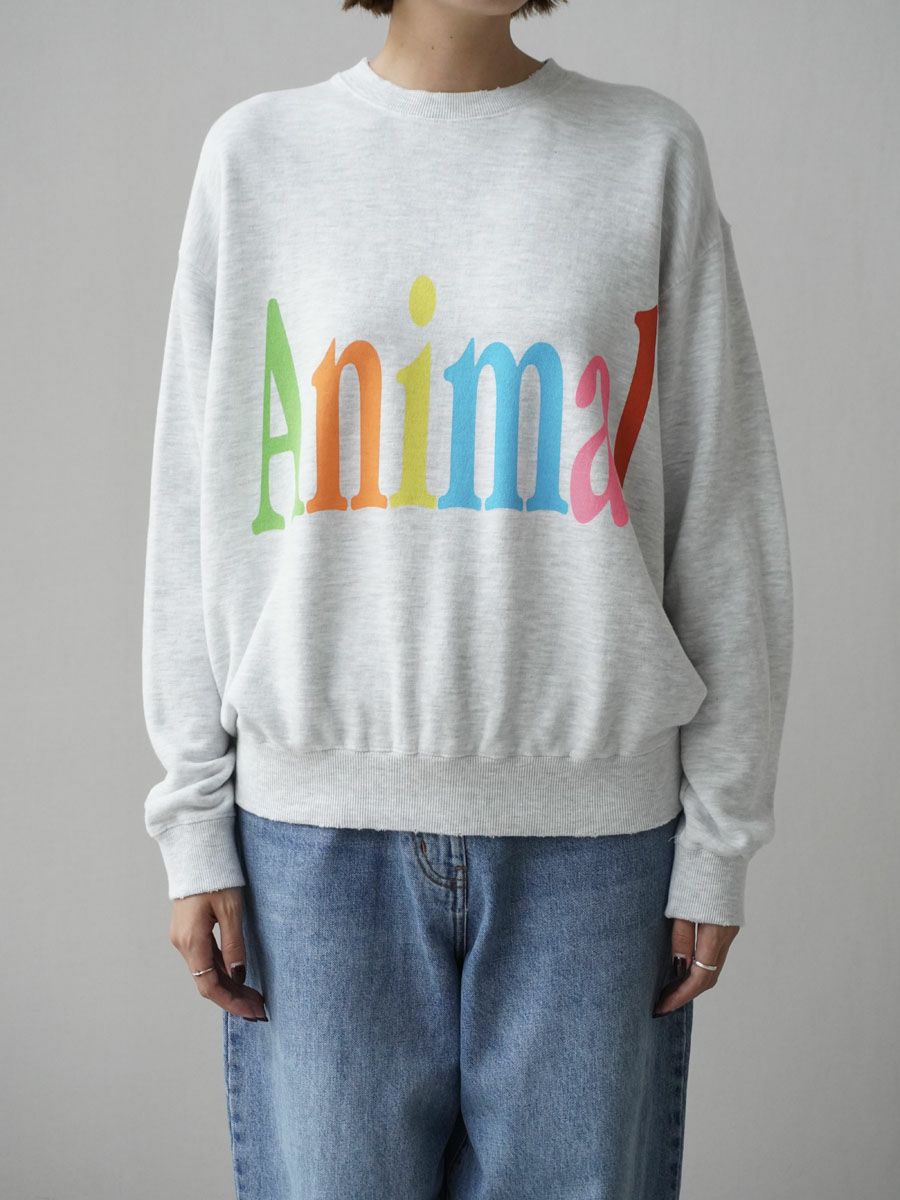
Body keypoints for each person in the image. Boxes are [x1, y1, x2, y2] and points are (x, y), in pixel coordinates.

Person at [141, 1, 794, 1196]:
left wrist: (720, 838)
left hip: (595, 852)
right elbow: (198, 502)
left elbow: (721, 507)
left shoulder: (646, 152)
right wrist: (192, 824)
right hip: (313, 846)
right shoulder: (259, 155)